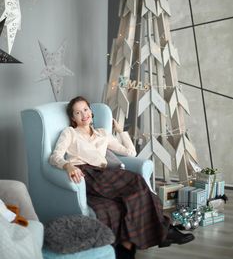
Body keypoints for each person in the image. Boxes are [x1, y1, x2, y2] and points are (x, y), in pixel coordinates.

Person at [49, 96, 195, 259]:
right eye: (77, 112)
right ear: (73, 118)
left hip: (104, 174)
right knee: (137, 184)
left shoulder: (102, 134)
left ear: (91, 111)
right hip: (87, 175)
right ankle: (164, 230)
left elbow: (130, 152)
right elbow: (55, 156)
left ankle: (130, 243)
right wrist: (68, 166)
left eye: (85, 109)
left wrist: (120, 131)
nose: (83, 114)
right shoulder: (70, 133)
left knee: (137, 191)